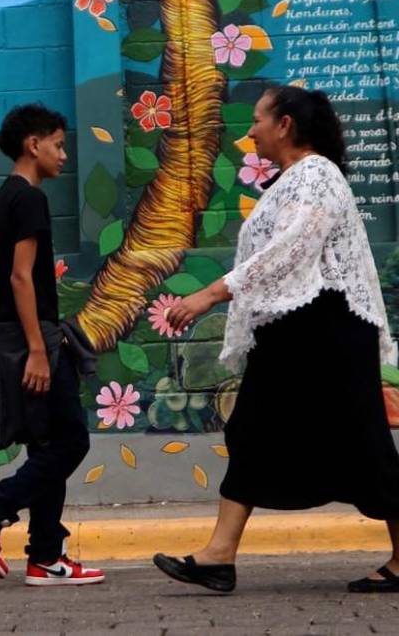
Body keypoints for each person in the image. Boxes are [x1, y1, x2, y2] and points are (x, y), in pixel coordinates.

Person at [154, 86, 399, 594]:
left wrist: (208, 294)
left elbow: (289, 251)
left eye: (258, 119)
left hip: (327, 331)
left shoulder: (315, 175)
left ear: (285, 124)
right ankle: (219, 556)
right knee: (253, 430)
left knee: (363, 443)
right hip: (298, 330)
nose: (250, 130)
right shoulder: (296, 180)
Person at [0, 104, 104, 587]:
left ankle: (45, 557)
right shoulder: (30, 200)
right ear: (32, 145)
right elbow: (21, 277)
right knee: (70, 440)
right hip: (32, 335)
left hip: (16, 333)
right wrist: (40, 349)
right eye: (58, 144)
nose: (63, 153)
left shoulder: (5, 198)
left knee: (46, 445)